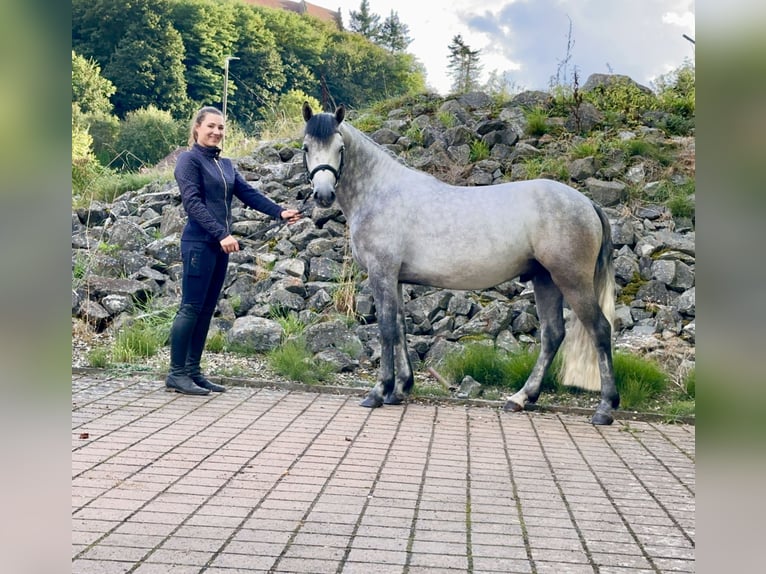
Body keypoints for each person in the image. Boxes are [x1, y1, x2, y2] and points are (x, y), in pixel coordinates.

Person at [166, 106, 302, 395]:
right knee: (190, 308)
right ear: (197, 128)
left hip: (218, 247)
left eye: (221, 128)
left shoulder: (225, 164)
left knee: (205, 310)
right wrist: (221, 233)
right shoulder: (188, 161)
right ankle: (176, 374)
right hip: (198, 244)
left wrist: (279, 212)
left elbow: (248, 194)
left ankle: (193, 372)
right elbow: (192, 204)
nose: (216, 132)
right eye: (211, 127)